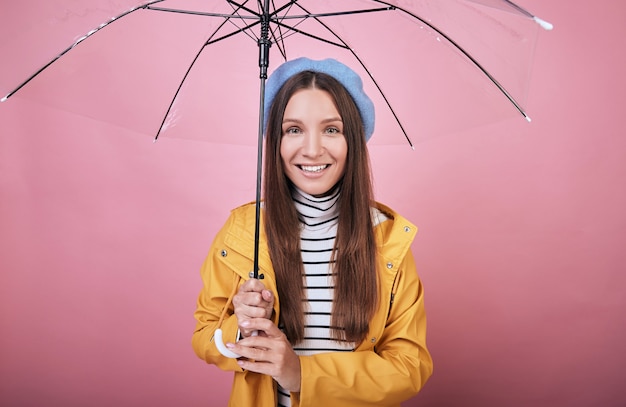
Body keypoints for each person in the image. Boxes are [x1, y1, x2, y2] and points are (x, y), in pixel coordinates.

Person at [192, 57, 433, 407]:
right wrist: (242, 328)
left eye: (331, 129)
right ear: (275, 140)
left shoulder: (388, 240)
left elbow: (409, 367)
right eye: (294, 130)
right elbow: (205, 338)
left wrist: (302, 374)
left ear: (353, 139)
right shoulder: (244, 233)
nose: (312, 149)